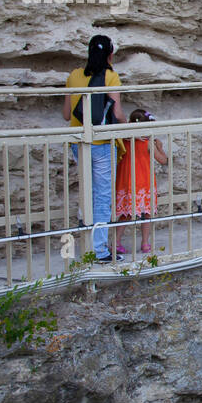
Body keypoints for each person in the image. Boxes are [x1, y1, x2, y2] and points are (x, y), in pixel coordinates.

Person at [63, 34, 124, 261]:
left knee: (87, 193)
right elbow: (116, 113)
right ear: (110, 55)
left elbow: (67, 114)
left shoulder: (74, 75)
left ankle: (87, 243)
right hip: (102, 142)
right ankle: (99, 250)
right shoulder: (111, 76)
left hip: (78, 143)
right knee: (102, 196)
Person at [115, 108, 168, 254]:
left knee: (126, 213)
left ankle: (116, 242)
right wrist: (160, 148)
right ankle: (145, 244)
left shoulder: (124, 141)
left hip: (126, 182)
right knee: (147, 213)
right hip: (145, 182)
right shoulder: (148, 143)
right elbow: (163, 160)